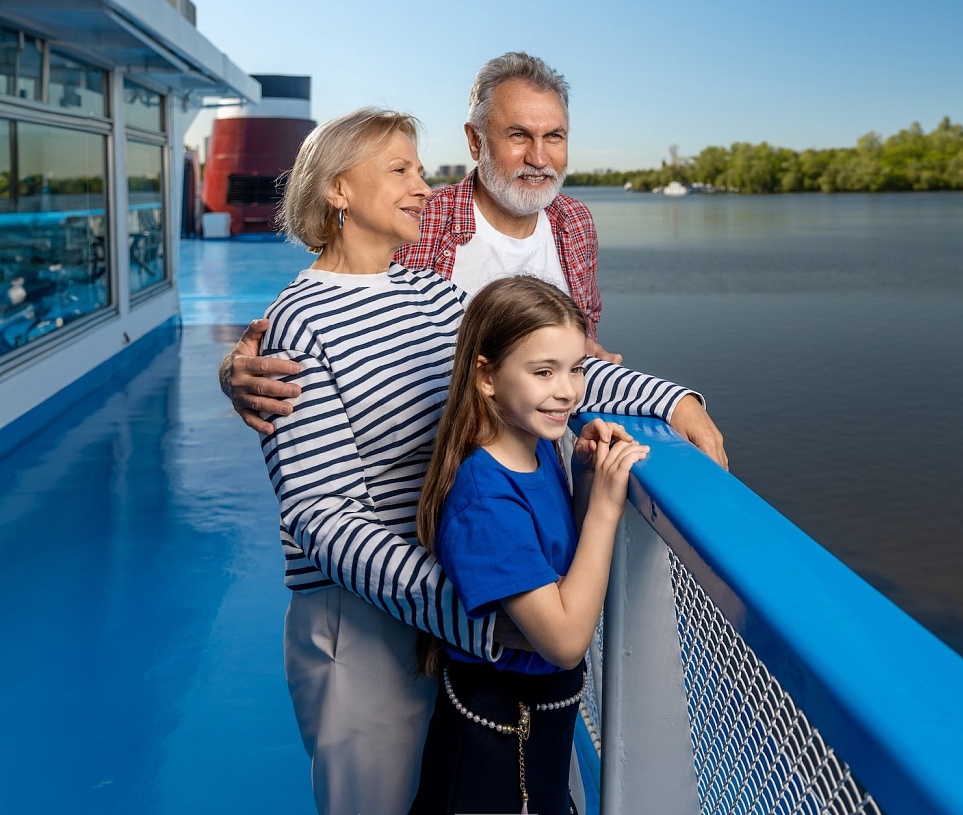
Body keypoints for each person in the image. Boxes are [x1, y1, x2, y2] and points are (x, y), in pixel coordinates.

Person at [257, 107, 715, 815]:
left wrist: (674, 401)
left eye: (420, 169)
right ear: (338, 190)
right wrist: (474, 611)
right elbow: (322, 519)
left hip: (459, 602)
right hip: (371, 617)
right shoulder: (298, 321)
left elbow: (531, 365)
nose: (423, 186)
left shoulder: (430, 294)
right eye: (400, 170)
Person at [407, 277, 646, 814]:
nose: (568, 391)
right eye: (544, 372)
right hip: (492, 747)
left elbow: (559, 564)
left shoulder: (538, 455)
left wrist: (586, 480)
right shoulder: (485, 496)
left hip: (535, 735)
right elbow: (564, 641)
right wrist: (606, 508)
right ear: (486, 377)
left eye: (576, 369)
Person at [393, 51, 616, 362]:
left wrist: (585, 353)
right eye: (519, 135)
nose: (539, 159)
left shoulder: (576, 221)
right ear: (475, 141)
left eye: (554, 136)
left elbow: (585, 333)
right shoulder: (418, 218)